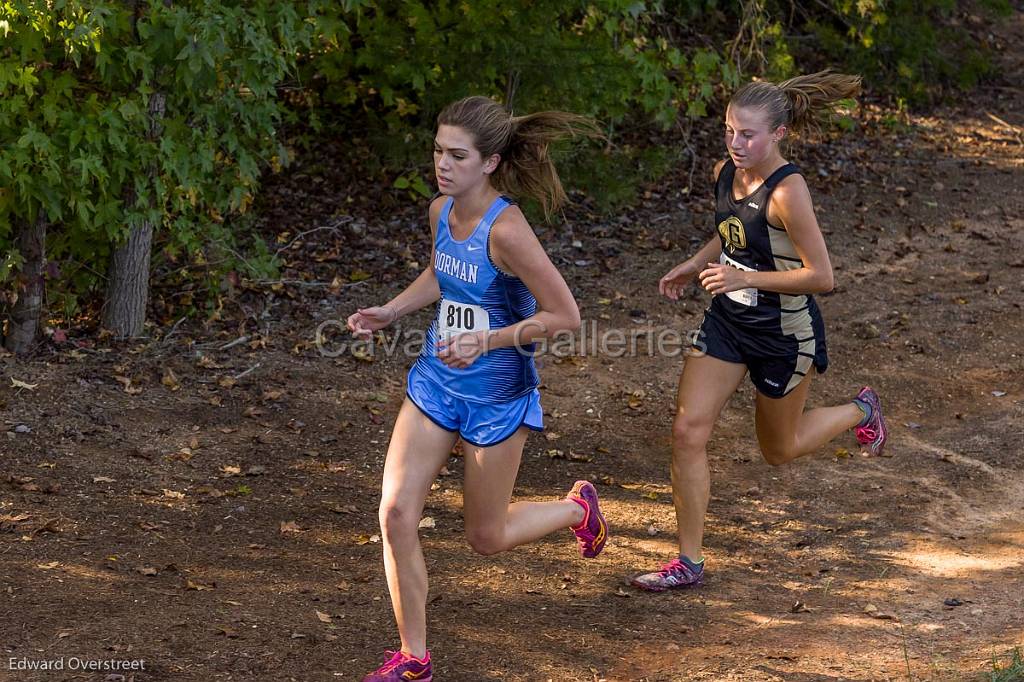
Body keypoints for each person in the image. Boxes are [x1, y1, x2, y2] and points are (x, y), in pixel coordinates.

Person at [347, 96, 608, 681]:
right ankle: (415, 659)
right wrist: (393, 310)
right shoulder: (440, 210)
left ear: (489, 163)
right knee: (395, 514)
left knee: (485, 538)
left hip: (496, 395)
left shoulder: (509, 230)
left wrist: (485, 342)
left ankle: (575, 508)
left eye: (457, 155)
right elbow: (444, 272)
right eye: (439, 150)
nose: (443, 164)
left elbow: (566, 315)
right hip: (436, 384)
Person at [631, 71, 887, 592]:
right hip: (728, 322)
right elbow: (731, 231)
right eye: (729, 130)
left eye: (748, 134)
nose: (736, 142)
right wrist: (693, 263)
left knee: (780, 449)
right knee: (687, 432)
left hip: (783, 333)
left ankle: (862, 410)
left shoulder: (789, 192)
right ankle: (689, 562)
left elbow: (823, 276)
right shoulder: (726, 171)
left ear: (779, 135)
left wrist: (745, 276)